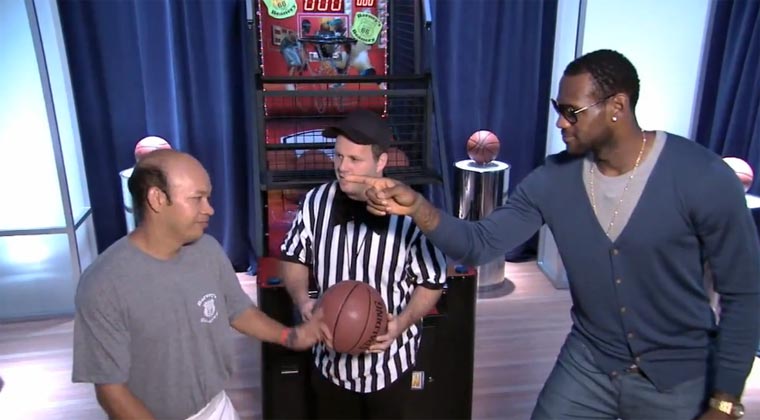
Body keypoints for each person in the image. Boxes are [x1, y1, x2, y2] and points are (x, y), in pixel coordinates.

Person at [348, 50, 760, 419]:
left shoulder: (702, 177)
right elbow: (478, 245)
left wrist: (725, 401)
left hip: (678, 375)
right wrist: (418, 207)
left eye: (571, 111)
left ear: (617, 106)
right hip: (589, 364)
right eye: (557, 109)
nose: (561, 122)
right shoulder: (554, 180)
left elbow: (744, 294)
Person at [72, 150, 323, 420]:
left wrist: (289, 337)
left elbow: (238, 310)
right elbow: (111, 390)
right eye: (197, 198)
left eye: (208, 198)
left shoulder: (207, 250)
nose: (209, 209)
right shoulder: (103, 283)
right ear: (157, 199)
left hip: (218, 407)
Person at [279, 109, 447, 419]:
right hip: (330, 365)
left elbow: (432, 281)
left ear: (381, 162)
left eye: (354, 159)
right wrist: (303, 301)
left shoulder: (411, 213)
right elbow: (292, 257)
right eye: (338, 156)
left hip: (389, 366)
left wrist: (402, 323)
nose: (342, 167)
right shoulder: (315, 202)